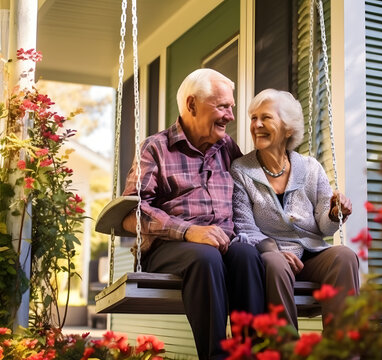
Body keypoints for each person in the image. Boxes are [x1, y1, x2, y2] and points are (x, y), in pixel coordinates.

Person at [121, 68, 265, 360]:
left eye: (231, 107)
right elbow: (131, 213)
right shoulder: (156, 148)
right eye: (222, 106)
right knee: (204, 256)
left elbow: (254, 192)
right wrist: (188, 231)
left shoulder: (227, 148)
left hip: (223, 244)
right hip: (170, 249)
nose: (231, 116)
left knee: (248, 256)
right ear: (191, 105)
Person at [230, 88, 360, 329]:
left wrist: (334, 212)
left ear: (288, 128)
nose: (256, 124)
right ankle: (286, 349)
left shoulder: (310, 167)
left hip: (312, 253)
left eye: (265, 118)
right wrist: (274, 250)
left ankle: (341, 351)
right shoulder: (241, 170)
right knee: (275, 263)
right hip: (272, 256)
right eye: (253, 118)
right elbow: (244, 226)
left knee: (345, 256)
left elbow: (324, 225)